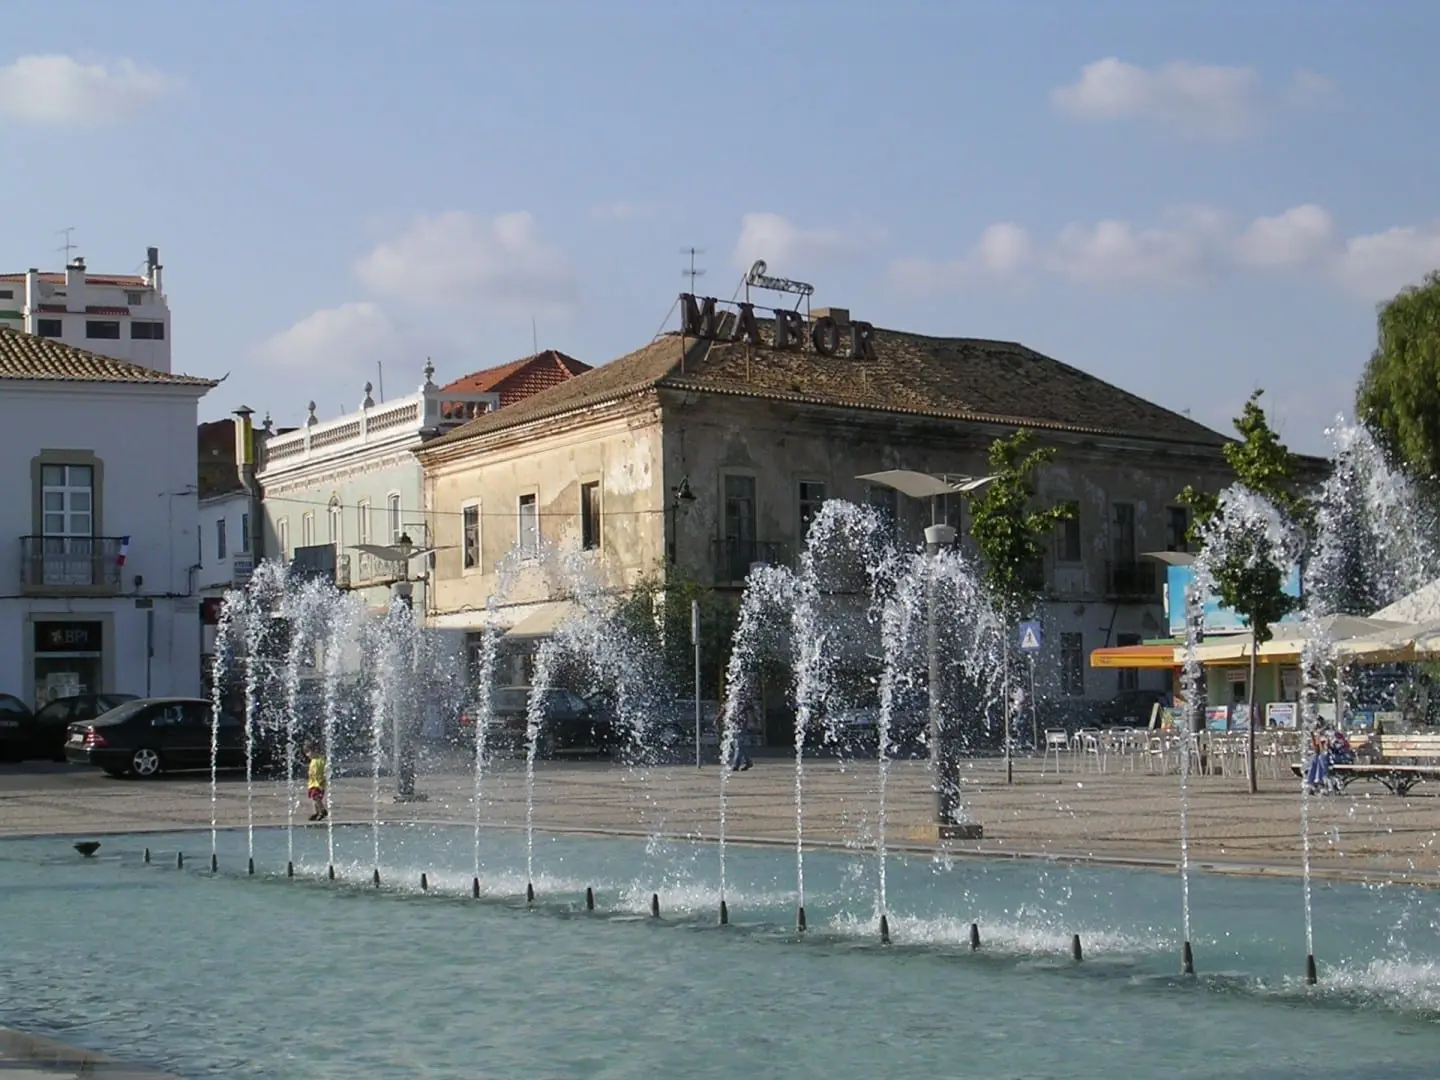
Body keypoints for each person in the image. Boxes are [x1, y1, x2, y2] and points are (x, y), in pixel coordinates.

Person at [306, 744, 328, 821]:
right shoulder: (313, 760)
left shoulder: (320, 760)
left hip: (318, 784)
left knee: (316, 797)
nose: (307, 754)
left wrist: (322, 781)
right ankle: (317, 812)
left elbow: (324, 770)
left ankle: (323, 811)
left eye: (308, 752)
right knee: (314, 799)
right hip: (312, 784)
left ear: (314, 751)